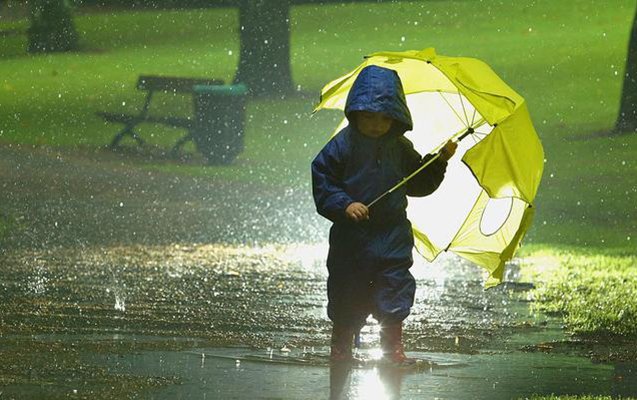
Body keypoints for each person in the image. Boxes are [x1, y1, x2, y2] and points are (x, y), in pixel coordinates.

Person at [311, 65, 457, 365]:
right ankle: (341, 347)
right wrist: (345, 204)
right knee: (347, 290)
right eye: (369, 117)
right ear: (355, 113)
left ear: (396, 116)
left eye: (384, 118)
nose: (377, 125)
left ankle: (392, 349)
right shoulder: (342, 147)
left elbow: (418, 182)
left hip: (392, 234)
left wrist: (438, 162)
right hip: (352, 238)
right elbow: (323, 178)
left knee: (395, 286)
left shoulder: (399, 147)